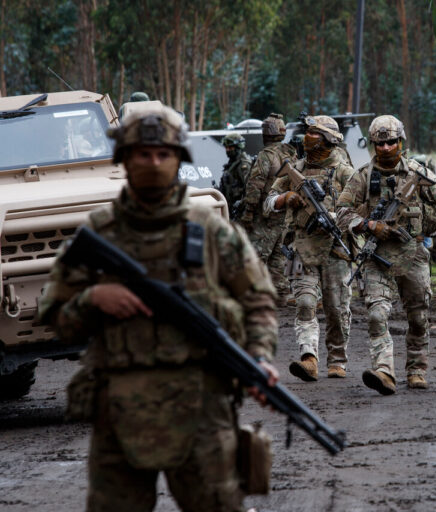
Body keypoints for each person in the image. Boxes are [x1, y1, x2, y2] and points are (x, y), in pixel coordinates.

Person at [37, 106, 280, 512]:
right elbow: (55, 316)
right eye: (143, 154)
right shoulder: (99, 233)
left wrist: (258, 357)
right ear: (125, 160)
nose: (153, 162)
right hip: (119, 410)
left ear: (178, 159)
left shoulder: (211, 229)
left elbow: (257, 300)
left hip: (203, 408)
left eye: (163, 154)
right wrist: (93, 299)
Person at [336, 115, 436, 394]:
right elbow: (342, 212)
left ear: (400, 141)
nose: (386, 148)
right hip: (376, 256)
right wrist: (368, 224)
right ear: (373, 144)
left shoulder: (419, 173)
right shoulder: (363, 177)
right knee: (377, 314)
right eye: (380, 143)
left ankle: (416, 369)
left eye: (391, 142)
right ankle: (384, 371)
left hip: (414, 253)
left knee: (418, 316)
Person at [264, 115, 353, 380]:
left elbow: (360, 209)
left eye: (313, 133)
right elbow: (267, 202)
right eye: (307, 132)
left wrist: (336, 218)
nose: (307, 137)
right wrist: (284, 198)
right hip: (300, 248)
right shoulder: (295, 169)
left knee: (336, 309)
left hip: (335, 250)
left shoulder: (346, 172)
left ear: (327, 139)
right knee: (304, 303)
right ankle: (309, 358)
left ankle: (337, 360)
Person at [240, 113, 296, 305]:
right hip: (285, 212)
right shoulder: (291, 152)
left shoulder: (266, 155)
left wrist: (248, 211)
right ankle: (280, 294)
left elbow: (255, 184)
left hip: (266, 213)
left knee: (255, 254)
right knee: (277, 256)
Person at [219, 132, 253, 218]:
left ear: (238, 147)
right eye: (226, 147)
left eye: (230, 147)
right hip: (231, 210)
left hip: (240, 212)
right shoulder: (232, 164)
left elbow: (251, 190)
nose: (227, 150)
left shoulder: (243, 165)